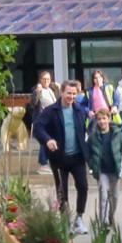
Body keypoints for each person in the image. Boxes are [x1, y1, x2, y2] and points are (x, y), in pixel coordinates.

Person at [31, 80, 92, 233]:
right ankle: (65, 222)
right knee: (62, 190)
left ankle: (79, 218)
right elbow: (38, 128)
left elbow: (85, 130)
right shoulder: (52, 111)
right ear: (62, 93)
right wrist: (48, 140)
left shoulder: (79, 110)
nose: (71, 96)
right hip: (59, 158)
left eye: (74, 93)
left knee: (83, 186)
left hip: (77, 157)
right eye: (68, 93)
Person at [87, 105, 122, 229]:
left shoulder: (118, 134)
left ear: (109, 119)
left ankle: (111, 215)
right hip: (101, 170)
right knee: (103, 195)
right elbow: (88, 153)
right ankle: (102, 222)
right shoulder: (93, 136)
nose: (102, 121)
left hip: (115, 170)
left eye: (104, 118)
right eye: (99, 119)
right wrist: (92, 166)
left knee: (114, 196)